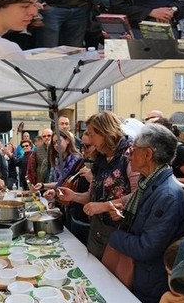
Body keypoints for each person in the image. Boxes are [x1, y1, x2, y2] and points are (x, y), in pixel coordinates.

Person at [106, 123, 184, 303]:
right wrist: (123, 217)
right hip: (142, 275)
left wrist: (114, 237)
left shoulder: (167, 195)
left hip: (150, 283)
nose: (129, 156)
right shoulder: (149, 183)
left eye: (132, 150)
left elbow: (147, 248)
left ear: (148, 154)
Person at [57, 110, 133, 257]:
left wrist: (105, 206)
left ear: (106, 133)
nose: (89, 140)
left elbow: (139, 196)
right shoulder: (101, 158)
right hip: (98, 231)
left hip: (120, 234)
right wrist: (73, 196)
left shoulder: (129, 155)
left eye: (92, 134)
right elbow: (93, 196)